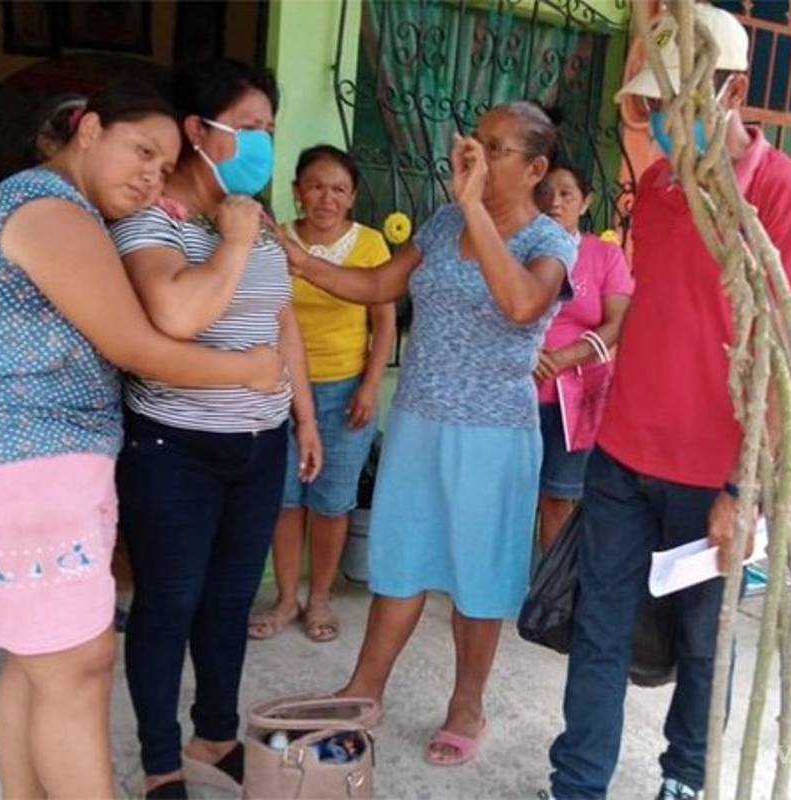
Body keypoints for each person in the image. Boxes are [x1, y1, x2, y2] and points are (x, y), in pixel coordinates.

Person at [0, 82, 282, 800]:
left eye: (163, 164)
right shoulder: (50, 212)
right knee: (78, 674)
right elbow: (137, 345)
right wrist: (249, 370)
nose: (149, 174)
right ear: (87, 129)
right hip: (17, 465)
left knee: (39, 666)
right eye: (140, 151)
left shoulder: (53, 207)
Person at [547, 5, 791, 799]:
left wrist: (746, 488)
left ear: (734, 91)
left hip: (714, 476)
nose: (667, 121)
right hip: (622, 457)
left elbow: (789, 355)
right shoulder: (664, 183)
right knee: (599, 632)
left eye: (682, 103)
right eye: (656, 106)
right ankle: (577, 784)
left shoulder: (786, 195)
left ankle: (686, 779)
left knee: (706, 645)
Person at [285, 102, 577, 766]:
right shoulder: (444, 222)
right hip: (419, 419)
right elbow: (382, 281)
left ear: (535, 168)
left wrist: (476, 206)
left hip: (492, 433)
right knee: (401, 562)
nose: (476, 152)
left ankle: (466, 705)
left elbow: (522, 305)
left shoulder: (550, 241)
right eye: (478, 139)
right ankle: (364, 687)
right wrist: (302, 263)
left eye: (497, 148)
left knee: (479, 578)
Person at [108, 60, 317, 799]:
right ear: (199, 132)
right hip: (175, 447)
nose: (264, 144)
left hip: (260, 446)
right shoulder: (149, 219)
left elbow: (279, 316)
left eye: (269, 128)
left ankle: (216, 734)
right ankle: (162, 760)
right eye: (250, 127)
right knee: (170, 601)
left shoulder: (252, 219)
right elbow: (177, 315)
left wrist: (303, 415)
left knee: (231, 601)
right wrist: (231, 238)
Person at [249, 145, 395, 643]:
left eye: (338, 189)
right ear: (297, 191)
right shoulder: (274, 241)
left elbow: (384, 322)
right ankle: (287, 598)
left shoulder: (372, 244)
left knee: (332, 502)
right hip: (280, 391)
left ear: (352, 196)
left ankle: (321, 598)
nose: (326, 198)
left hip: (347, 391)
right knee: (285, 498)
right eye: (315, 186)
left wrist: (372, 385)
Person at [533, 159, 634, 552]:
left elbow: (618, 322)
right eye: (545, 192)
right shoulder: (518, 247)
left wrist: (562, 358)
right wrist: (526, 354)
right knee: (507, 495)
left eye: (565, 194)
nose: (554, 202)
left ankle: (548, 596)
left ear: (586, 202)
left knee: (558, 498)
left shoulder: (603, 256)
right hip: (517, 388)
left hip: (573, 397)